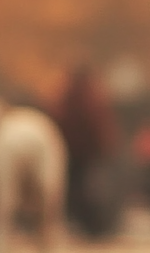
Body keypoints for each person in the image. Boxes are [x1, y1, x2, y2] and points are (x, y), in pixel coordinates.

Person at [52, 64, 121, 238]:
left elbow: (61, 121)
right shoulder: (91, 95)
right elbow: (101, 125)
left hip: (80, 153)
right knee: (87, 190)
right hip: (85, 153)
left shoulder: (70, 96)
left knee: (82, 190)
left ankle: (90, 225)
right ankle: (92, 226)